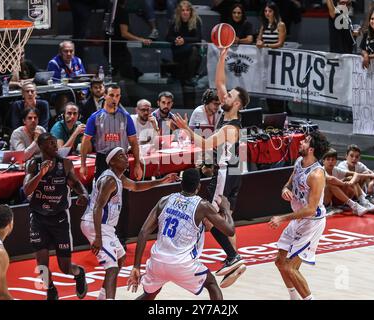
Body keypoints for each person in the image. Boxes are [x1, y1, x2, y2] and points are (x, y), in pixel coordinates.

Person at [173, 47, 250, 288]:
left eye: (228, 97)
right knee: (220, 217)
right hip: (233, 171)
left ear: (236, 103)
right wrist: (223, 55)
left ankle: (233, 256)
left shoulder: (230, 128)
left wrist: (186, 129)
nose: (223, 97)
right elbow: (219, 81)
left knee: (211, 217)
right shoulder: (228, 114)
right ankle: (233, 260)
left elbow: (205, 143)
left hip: (226, 172)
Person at [81, 146, 178, 300]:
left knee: (120, 258)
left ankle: (102, 296)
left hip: (105, 226)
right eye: (121, 156)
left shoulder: (119, 178)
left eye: (125, 155)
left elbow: (136, 186)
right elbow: (98, 207)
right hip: (95, 224)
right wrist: (98, 237)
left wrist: (163, 180)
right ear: (112, 162)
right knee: (111, 267)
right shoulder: (109, 180)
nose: (126, 158)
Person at [127, 168, 236, 300]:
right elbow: (230, 230)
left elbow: (144, 232)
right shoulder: (202, 205)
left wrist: (136, 266)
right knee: (212, 284)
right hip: (182, 264)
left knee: (150, 294)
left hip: (158, 262)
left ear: (181, 184)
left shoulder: (164, 200)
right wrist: (226, 208)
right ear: (199, 186)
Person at [23, 133, 90, 300]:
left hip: (59, 219)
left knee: (65, 267)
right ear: (42, 147)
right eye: (51, 144)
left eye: (55, 143)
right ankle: (50, 288)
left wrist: (84, 195)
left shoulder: (65, 164)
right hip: (38, 218)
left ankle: (79, 273)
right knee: (42, 265)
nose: (56, 146)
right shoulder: (33, 164)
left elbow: (75, 183)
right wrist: (41, 174)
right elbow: (26, 191)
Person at [268, 131, 330, 300]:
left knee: (290, 267)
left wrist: (281, 218)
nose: (301, 142)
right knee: (280, 262)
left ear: (311, 149)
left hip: (311, 222)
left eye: (306, 141)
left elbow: (310, 209)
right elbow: (291, 179)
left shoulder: (316, 175)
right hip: (298, 218)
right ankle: (294, 297)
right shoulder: (299, 162)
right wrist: (285, 189)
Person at [80, 84, 143, 181]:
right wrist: (83, 165)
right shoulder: (94, 117)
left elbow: (134, 142)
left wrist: (137, 165)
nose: (115, 99)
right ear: (104, 96)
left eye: (117, 96)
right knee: (102, 193)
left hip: (122, 159)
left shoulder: (126, 117)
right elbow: (85, 141)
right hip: (102, 159)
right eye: (111, 95)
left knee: (123, 193)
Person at [322, 148, 374, 216]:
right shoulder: (321, 170)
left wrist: (351, 182)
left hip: (338, 198)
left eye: (333, 160)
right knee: (330, 185)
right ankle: (355, 204)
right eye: (328, 159)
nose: (330, 162)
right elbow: (331, 179)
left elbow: (356, 174)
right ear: (323, 161)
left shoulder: (336, 169)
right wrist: (344, 183)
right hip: (325, 201)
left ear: (335, 161)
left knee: (351, 178)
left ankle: (363, 201)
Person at [106, 0, 152, 81]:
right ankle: (131, 92)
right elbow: (124, 33)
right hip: (118, 49)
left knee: (116, 74)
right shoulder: (121, 12)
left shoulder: (109, 10)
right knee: (127, 76)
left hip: (109, 48)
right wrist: (142, 40)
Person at [166, 1, 202, 86]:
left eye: (187, 10)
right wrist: (176, 39)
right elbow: (168, 37)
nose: (185, 12)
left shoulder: (196, 21)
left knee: (193, 50)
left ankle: (190, 77)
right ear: (179, 12)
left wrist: (184, 40)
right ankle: (178, 75)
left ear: (191, 11)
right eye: (183, 10)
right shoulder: (175, 21)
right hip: (178, 49)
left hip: (191, 49)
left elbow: (198, 38)